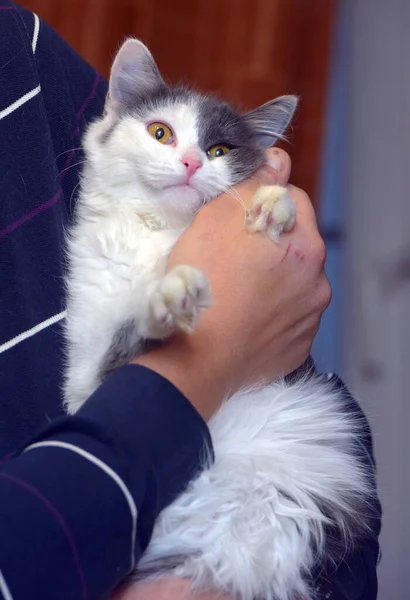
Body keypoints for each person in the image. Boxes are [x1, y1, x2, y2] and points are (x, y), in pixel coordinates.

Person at [0, 2, 380, 599]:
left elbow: (341, 478)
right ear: (113, 122)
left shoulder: (22, 52)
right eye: (161, 132)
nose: (188, 159)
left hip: (266, 501)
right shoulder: (100, 239)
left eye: (219, 153)